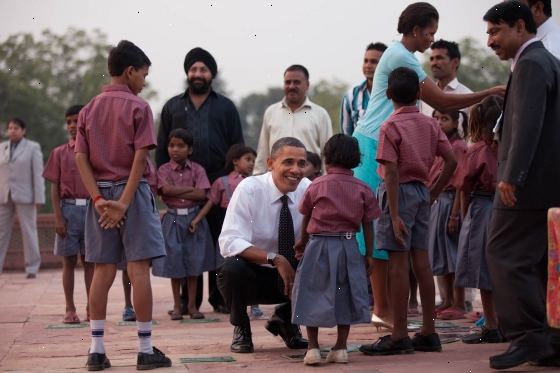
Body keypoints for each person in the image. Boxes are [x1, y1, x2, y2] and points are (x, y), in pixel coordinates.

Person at [351, 1, 504, 331]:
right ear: (417, 29)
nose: (431, 40)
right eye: (430, 33)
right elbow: (442, 103)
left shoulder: (403, 64)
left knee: (393, 242)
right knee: (384, 234)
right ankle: (384, 308)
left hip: (391, 151)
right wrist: (490, 90)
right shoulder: (403, 59)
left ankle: (396, 314)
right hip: (376, 147)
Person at [75, 40, 171, 370]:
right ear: (130, 72)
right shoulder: (139, 107)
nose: (144, 81)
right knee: (138, 269)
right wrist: (124, 202)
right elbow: (140, 156)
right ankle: (145, 350)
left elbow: (81, 159)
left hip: (99, 197)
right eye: (144, 74)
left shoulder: (88, 109)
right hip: (132, 194)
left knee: (102, 271)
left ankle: (97, 351)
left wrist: (101, 200)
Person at [483, 2, 560, 369]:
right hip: (546, 183)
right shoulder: (546, 61)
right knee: (540, 262)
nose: (489, 41)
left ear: (519, 26)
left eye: (495, 31)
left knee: (504, 255)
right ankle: (549, 339)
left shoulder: (531, 63)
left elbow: (527, 125)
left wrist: (512, 176)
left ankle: (528, 339)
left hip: (526, 186)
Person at [359, 67, 457, 355]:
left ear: (388, 94)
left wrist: (394, 213)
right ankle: (428, 331)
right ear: (418, 94)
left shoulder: (389, 126)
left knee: (398, 266)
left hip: (397, 195)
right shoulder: (430, 124)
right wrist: (433, 193)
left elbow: (389, 172)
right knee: (422, 263)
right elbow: (450, 161)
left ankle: (399, 335)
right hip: (421, 193)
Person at [156, 47, 243, 315]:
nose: (197, 74)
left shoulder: (225, 107)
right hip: (182, 187)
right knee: (183, 242)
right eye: (193, 69)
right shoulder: (173, 106)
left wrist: (233, 182)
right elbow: (161, 148)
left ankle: (220, 296)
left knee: (220, 240)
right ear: (187, 73)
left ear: (211, 74)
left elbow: (237, 146)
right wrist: (161, 184)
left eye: (203, 69)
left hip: (218, 183)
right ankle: (185, 301)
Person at [291, 134, 380, 365]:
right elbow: (368, 224)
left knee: (311, 292)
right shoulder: (363, 188)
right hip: (348, 245)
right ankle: (340, 348)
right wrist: (369, 254)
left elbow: (306, 217)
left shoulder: (316, 185)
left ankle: (312, 348)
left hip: (318, 244)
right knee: (345, 294)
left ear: (326, 158)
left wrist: (301, 243)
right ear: (355, 159)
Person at [217, 137, 310, 353]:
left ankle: (286, 320)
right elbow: (229, 241)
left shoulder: (308, 189)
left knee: (333, 260)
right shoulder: (249, 188)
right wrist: (275, 258)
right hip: (255, 275)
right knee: (231, 268)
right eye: (288, 162)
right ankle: (241, 327)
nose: (295, 170)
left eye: (301, 163)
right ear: (270, 164)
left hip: (294, 276)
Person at [455, 96, 504, 344]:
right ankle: (508, 322)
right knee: (506, 268)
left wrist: (465, 218)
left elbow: (464, 186)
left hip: (483, 208)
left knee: (483, 269)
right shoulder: (513, 147)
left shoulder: (476, 151)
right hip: (509, 210)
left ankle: (492, 325)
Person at [152, 128, 213, 321]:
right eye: (171, 145)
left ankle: (193, 306)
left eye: (180, 146)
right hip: (173, 219)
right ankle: (177, 306)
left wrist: (175, 190)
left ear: (190, 149)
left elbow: (202, 194)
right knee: (174, 262)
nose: (175, 150)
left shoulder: (198, 169)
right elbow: (164, 190)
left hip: (194, 218)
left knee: (194, 263)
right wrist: (189, 190)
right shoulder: (163, 170)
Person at [43, 105, 94, 324]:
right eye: (69, 122)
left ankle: (92, 307)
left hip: (92, 208)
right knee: (68, 261)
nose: (73, 126)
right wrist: (57, 217)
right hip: (68, 208)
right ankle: (69, 307)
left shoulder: (93, 152)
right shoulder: (59, 153)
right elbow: (54, 186)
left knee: (90, 261)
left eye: (76, 121)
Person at [427, 109, 468, 321]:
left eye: (444, 118)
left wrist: (454, 215)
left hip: (451, 202)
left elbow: (461, 183)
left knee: (453, 254)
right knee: (442, 253)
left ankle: (459, 302)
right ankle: (448, 300)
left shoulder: (458, 147)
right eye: (435, 118)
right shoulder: (437, 145)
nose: (438, 122)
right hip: (438, 201)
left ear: (455, 123)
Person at [253, 65, 332, 175]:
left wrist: (325, 182)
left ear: (307, 85)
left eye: (296, 82)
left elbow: (327, 153)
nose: (291, 86)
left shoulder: (320, 114)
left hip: (308, 181)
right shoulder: (271, 112)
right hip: (276, 179)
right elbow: (263, 150)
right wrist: (257, 176)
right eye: (288, 82)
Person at [0, 117, 45, 277]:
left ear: (23, 130)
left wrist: (39, 198)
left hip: (26, 196)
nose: (12, 131)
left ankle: (32, 268)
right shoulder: (2, 147)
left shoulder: (32, 147)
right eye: (10, 128)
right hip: (4, 196)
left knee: (29, 231)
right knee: (1, 232)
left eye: (16, 128)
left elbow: (38, 174)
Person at [340, 42, 387, 135]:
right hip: (359, 149)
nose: (368, 66)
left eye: (373, 62)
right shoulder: (351, 96)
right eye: (365, 61)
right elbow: (346, 135)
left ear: (386, 64)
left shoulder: (396, 94)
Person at [421, 39, 473, 119]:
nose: (434, 63)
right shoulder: (425, 96)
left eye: (439, 58)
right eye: (431, 59)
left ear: (455, 62)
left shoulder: (469, 98)